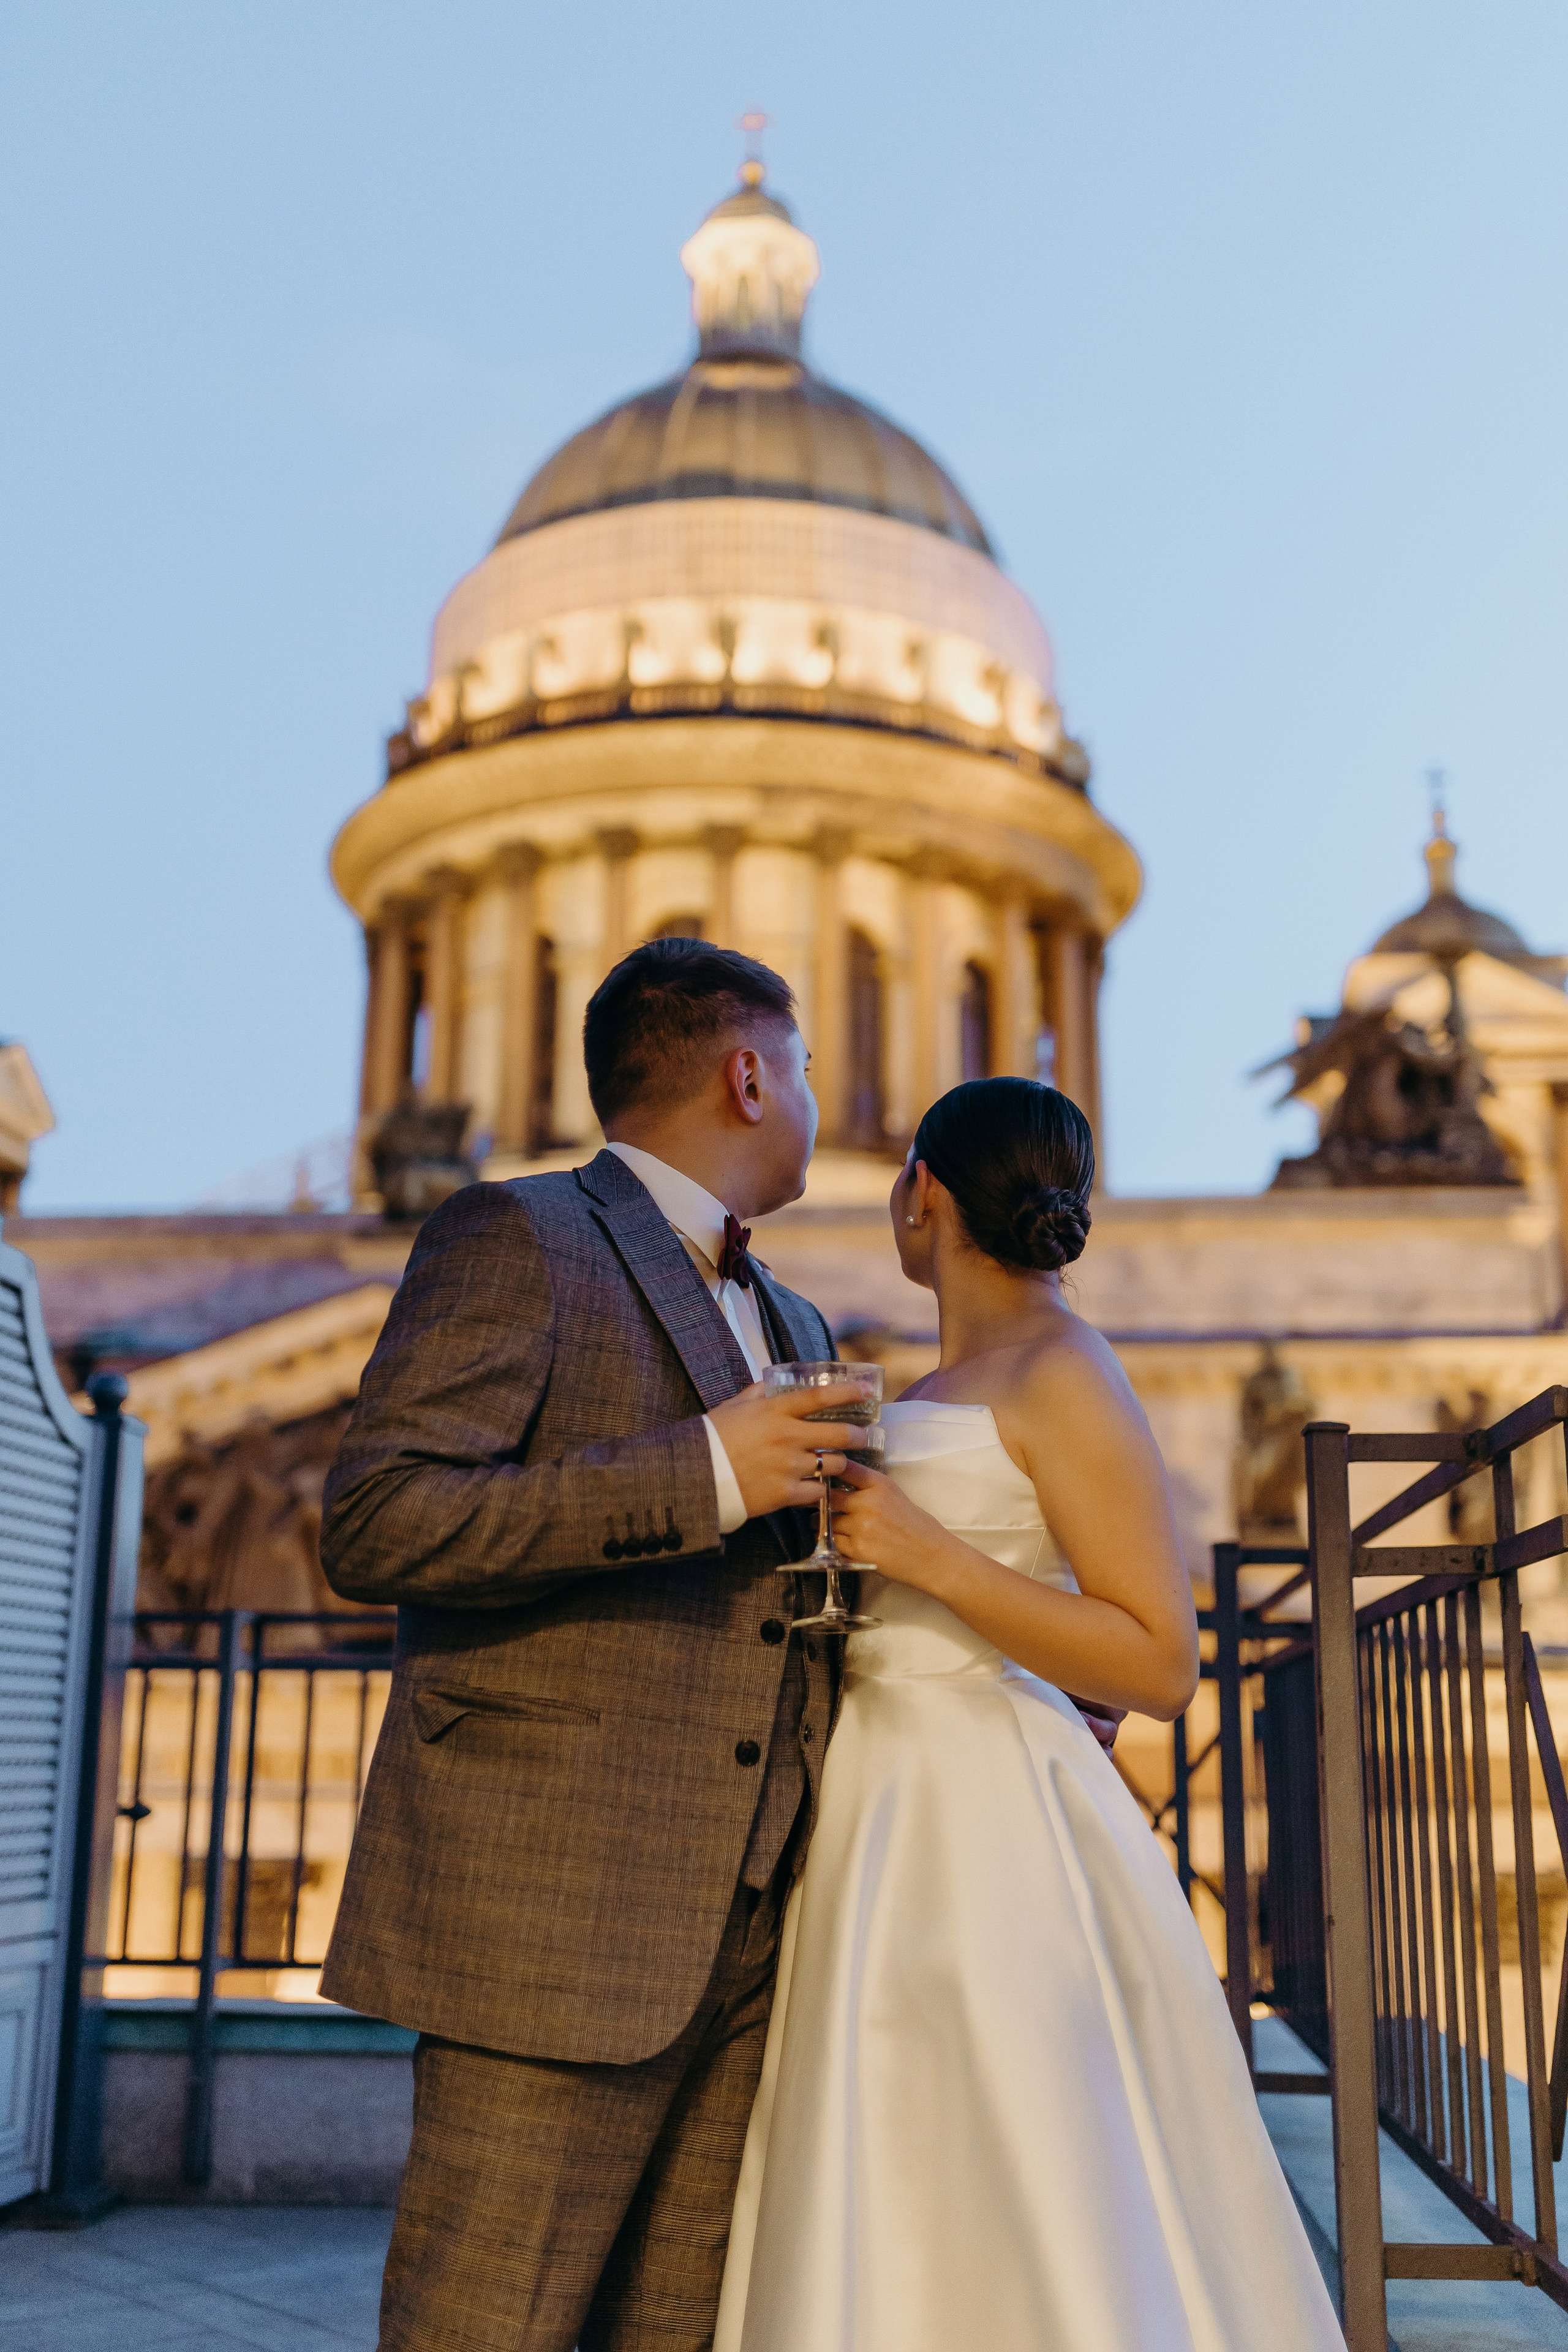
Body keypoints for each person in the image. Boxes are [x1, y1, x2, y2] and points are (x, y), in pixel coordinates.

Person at [318, 940, 1120, 2352]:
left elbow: (818, 1589)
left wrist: (1030, 1684)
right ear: (748, 1075)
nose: (821, 1097)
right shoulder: (517, 1237)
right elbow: (381, 1522)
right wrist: (698, 1471)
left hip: (769, 1940)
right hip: (563, 1928)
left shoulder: (799, 1320)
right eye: (807, 1064)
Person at [714, 1077, 1344, 2352]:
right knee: (898, 2143)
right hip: (879, 1796)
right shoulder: (963, 1369)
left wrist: (919, 1552)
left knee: (1011, 2139)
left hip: (988, 1809)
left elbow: (1160, 1662)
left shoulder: (1066, 1367)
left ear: (922, 1196)